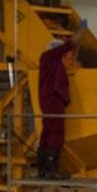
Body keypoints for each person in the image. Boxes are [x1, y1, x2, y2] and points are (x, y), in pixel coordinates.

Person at [37, 35, 77, 179]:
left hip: (48, 100)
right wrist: (77, 36)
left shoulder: (49, 64)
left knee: (47, 133)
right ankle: (52, 171)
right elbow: (59, 85)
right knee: (56, 133)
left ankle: (42, 169)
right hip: (53, 101)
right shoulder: (49, 58)